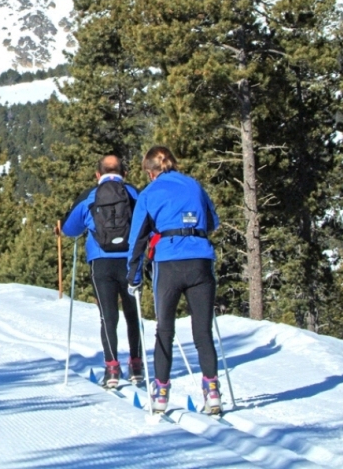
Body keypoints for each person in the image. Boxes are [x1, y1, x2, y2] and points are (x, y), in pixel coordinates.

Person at [126, 146, 222, 415]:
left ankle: (160, 394)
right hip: (201, 260)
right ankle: (212, 392)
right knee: (203, 332)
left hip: (168, 263)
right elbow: (213, 221)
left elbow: (137, 239)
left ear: (149, 172)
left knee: (165, 331)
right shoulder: (194, 185)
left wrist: (133, 277)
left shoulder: (149, 193)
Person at [59, 154, 143, 388]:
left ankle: (112, 368)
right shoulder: (133, 194)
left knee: (108, 315)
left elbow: (69, 229)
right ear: (123, 173)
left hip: (101, 261)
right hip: (130, 260)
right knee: (132, 313)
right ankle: (136, 366)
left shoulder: (90, 196)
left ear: (98, 174)